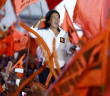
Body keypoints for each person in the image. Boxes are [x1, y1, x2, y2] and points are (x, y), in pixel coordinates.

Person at [30, 10, 80, 85]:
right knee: (44, 90)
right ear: (49, 20)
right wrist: (39, 21)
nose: (57, 20)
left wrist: (72, 48)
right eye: (54, 17)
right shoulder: (43, 32)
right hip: (45, 67)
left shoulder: (64, 33)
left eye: (58, 18)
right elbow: (32, 33)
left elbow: (67, 47)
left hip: (60, 68)